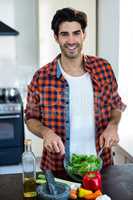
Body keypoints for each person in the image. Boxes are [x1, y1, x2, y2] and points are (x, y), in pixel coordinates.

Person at [25, 7, 126, 178]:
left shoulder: (103, 68)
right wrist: (46, 132)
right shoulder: (41, 77)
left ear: (84, 34)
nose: (71, 40)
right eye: (64, 34)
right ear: (56, 37)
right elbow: (30, 118)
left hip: (100, 165)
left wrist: (113, 125)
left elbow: (116, 106)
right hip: (57, 168)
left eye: (76, 33)